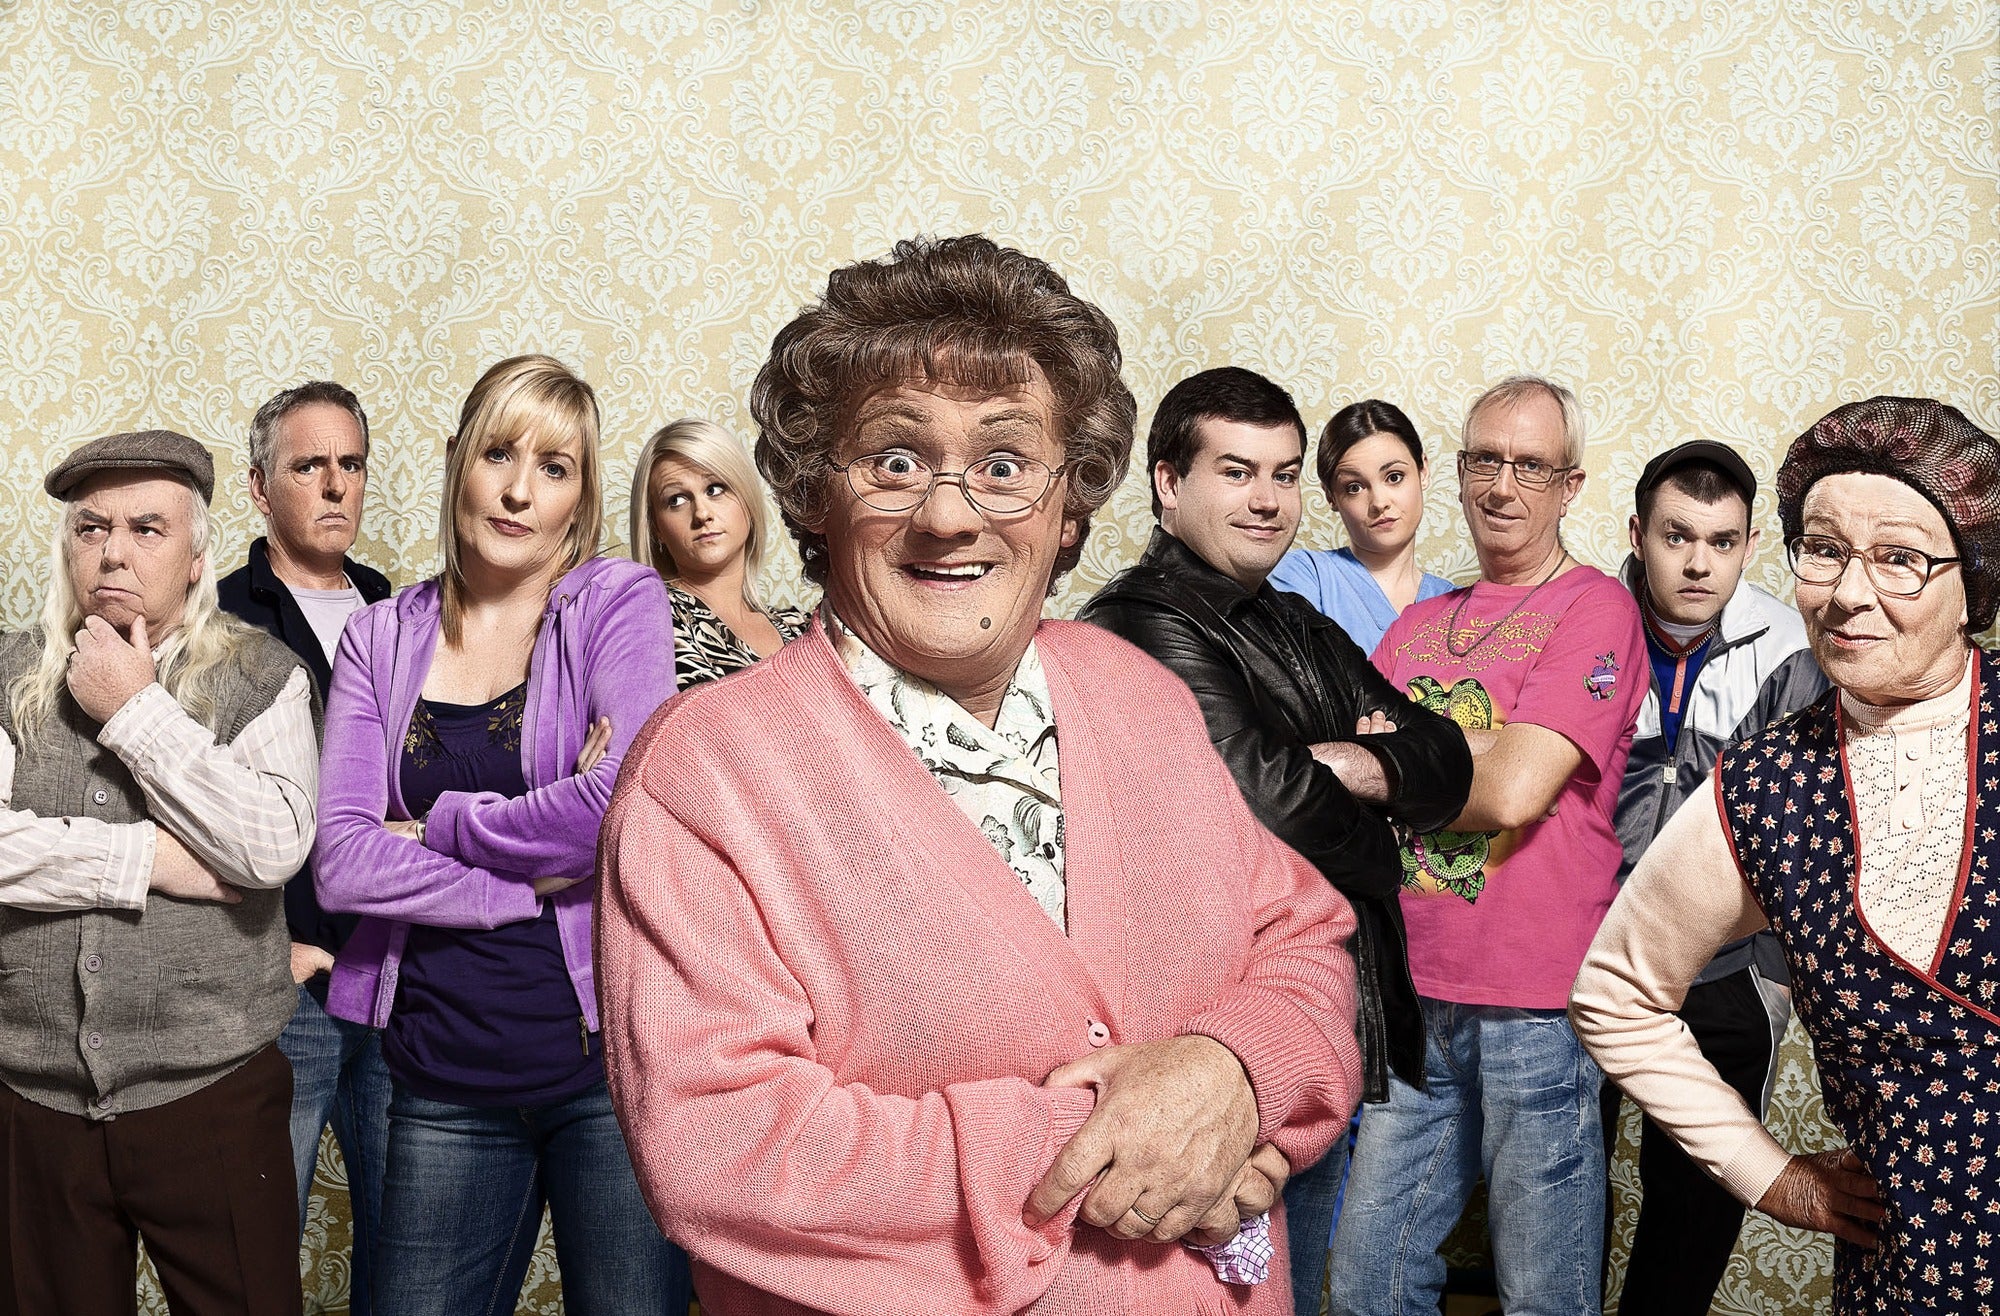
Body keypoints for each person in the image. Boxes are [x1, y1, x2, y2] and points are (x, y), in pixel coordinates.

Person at [596, 235, 1363, 1316]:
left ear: (1066, 502)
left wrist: (1234, 1072)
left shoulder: (1135, 691)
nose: (949, 513)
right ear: (819, 492)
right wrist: (1112, 1138)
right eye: (895, 460)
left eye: (1004, 464)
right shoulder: (707, 770)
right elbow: (725, 1143)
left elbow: (1301, 941)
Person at [1572, 396, 2000, 1314]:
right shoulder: (1764, 783)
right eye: (1824, 549)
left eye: (1899, 559)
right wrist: (1777, 1180)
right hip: (1910, 1276)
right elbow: (1615, 995)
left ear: (1977, 582)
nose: (1848, 593)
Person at [1077, 365, 1474, 1316]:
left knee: (1291, 1286)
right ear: (1168, 483)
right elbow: (1269, 802)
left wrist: (1349, 766)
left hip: (1327, 1019)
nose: (1268, 500)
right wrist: (1379, 842)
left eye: (1286, 474)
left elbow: (1445, 758)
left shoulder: (1294, 618)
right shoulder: (1142, 621)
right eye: (1237, 472)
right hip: (1222, 1033)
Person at [312, 355, 689, 1315]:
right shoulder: (380, 637)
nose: (520, 490)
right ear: (456, 464)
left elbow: (624, 808)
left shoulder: (616, 603)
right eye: (498, 453)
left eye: (555, 468)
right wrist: (527, 878)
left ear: (581, 498)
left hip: (609, 1073)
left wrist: (437, 822)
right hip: (439, 1075)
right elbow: (343, 858)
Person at [1327, 375, 1648, 1316]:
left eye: (1530, 465)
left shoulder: (1595, 610)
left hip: (1537, 1001)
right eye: (1482, 461)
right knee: (1368, 1282)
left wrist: (1399, 759)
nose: (1501, 486)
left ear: (1571, 485)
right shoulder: (1418, 626)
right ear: (1457, 471)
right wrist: (1465, 750)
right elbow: (1351, 788)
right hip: (1411, 992)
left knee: (1543, 1290)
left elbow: (1513, 791)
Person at [0, 430, 317, 1315]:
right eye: (91, 527)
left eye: (147, 528)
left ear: (196, 555)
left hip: (211, 1095)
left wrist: (133, 708)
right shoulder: (9, 671)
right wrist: (150, 860)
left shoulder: (263, 675)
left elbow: (274, 845)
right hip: (35, 1101)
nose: (113, 550)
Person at [1601, 439, 1826, 1316]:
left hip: (1726, 973)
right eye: (1677, 536)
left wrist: (1767, 977)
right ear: (1637, 533)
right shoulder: (1582, 617)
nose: (1699, 563)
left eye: (1723, 541)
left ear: (1751, 543)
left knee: (1695, 1207)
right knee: (1557, 1190)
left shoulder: (1785, 648)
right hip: (1584, 961)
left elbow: (1800, 835)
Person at [218, 380, 396, 1301]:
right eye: (308, 466)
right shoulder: (215, 625)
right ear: (259, 487)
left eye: (350, 464)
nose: (335, 486)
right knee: (255, 1254)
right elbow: (184, 805)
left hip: (398, 980)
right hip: (279, 991)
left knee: (407, 1251)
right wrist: (264, 943)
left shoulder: (398, 611)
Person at [629, 417, 808, 688]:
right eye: (676, 500)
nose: (702, 514)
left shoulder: (801, 629)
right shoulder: (645, 619)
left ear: (746, 498)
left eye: (714, 489)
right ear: (656, 529)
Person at [1270, 399, 1455, 653]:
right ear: (1331, 496)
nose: (1379, 502)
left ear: (1423, 471)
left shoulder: (1459, 604)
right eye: (1354, 487)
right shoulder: (1305, 577)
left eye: (1394, 477)